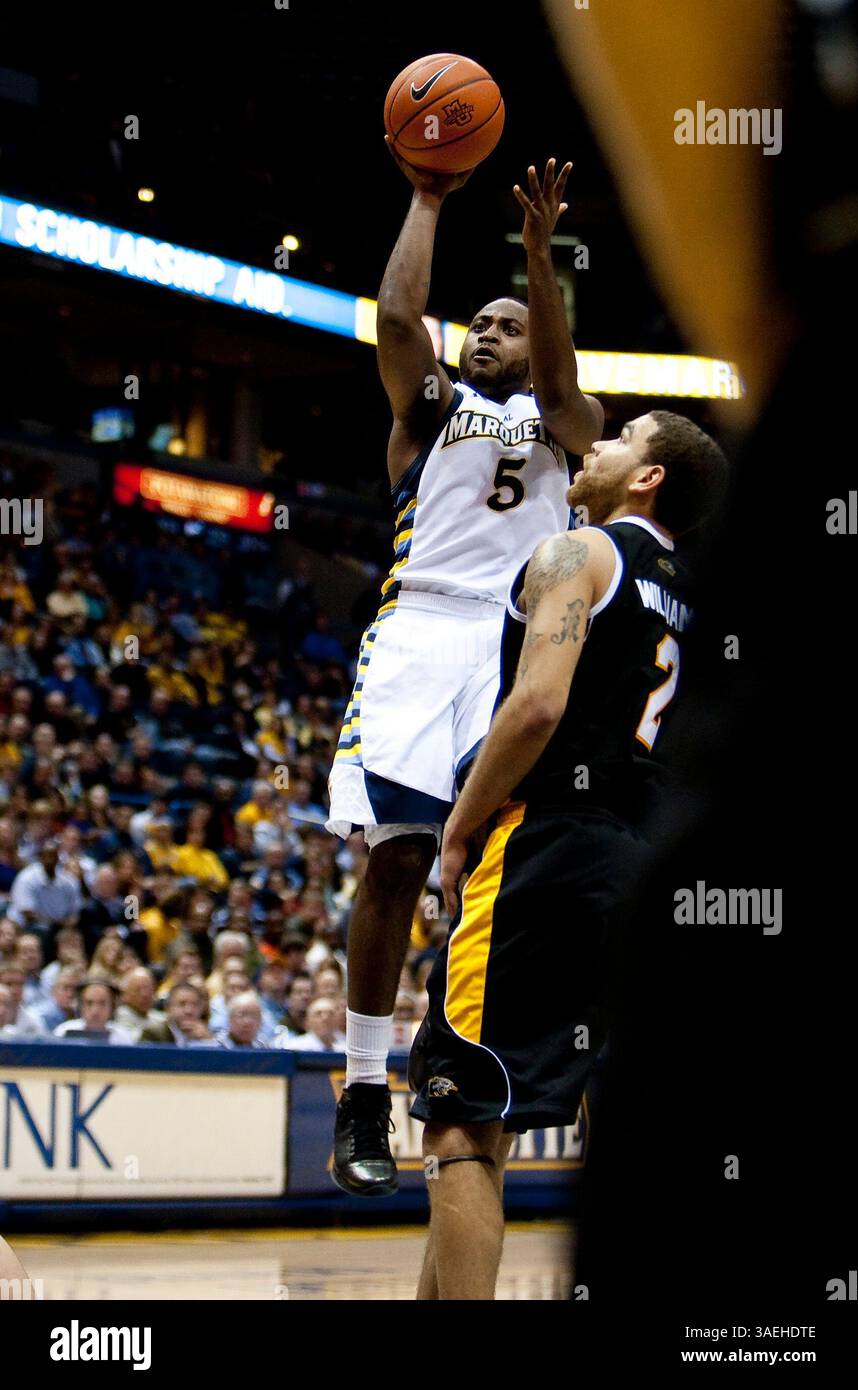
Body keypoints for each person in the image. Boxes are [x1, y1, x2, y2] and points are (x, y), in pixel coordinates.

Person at [326, 152, 604, 1195]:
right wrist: (427, 197)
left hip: (509, 646)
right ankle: (360, 1087)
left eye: (506, 322)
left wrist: (539, 262)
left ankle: (448, 1064)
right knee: (394, 862)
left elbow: (568, 389)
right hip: (416, 636)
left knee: (475, 875)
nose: (484, 333)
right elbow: (399, 324)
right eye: (476, 323)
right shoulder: (429, 409)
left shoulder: (572, 430)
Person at [408, 409, 728, 1298]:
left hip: (543, 845)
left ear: (648, 477)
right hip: (639, 864)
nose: (598, 444)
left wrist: (463, 822)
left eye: (623, 437)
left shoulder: (580, 553)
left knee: (463, 1119)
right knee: (499, 1114)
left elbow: (535, 708)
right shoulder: (697, 600)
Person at [54, 978, 136, 1045]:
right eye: (89, 1003)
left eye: (102, 1003)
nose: (95, 1010)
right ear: (80, 1006)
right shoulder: (62, 1032)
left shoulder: (123, 1037)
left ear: (112, 1006)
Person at [279, 995, 346, 1052]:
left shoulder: (345, 1049)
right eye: (318, 1014)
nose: (325, 1018)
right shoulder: (294, 1047)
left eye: (331, 1013)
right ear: (308, 1021)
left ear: (338, 1019)